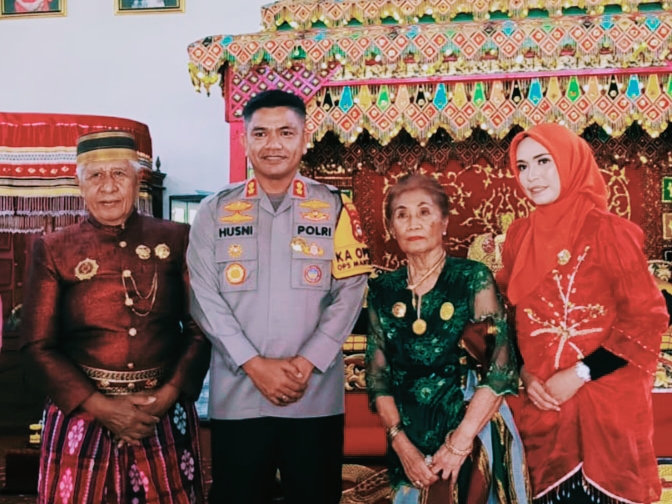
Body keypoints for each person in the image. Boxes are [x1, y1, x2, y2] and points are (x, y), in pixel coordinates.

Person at [187, 89, 371, 504]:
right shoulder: (214, 211)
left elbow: (350, 291)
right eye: (261, 133)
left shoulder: (336, 208)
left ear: (305, 138)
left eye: (286, 132)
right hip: (238, 397)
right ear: (244, 140)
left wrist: (306, 363)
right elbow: (203, 297)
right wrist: (254, 365)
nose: (273, 144)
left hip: (314, 397)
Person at [21, 130, 211, 504]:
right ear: (80, 185)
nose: (108, 187)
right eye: (95, 175)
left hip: (161, 414)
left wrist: (166, 396)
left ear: (139, 181)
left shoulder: (177, 239)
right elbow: (38, 345)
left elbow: (200, 329)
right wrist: (102, 407)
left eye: (119, 174)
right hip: (81, 414)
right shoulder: (55, 248)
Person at [498, 123, 668, 504]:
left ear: (571, 162)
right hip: (545, 413)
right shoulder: (520, 238)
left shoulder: (609, 232)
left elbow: (646, 319)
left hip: (606, 413)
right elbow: (512, 315)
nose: (532, 176)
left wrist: (580, 373)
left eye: (543, 161)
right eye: (522, 166)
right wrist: (524, 371)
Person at [366, 174, 529, 503]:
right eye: (401, 214)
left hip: (472, 431)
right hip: (409, 436)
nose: (413, 222)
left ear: (444, 223)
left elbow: (501, 369)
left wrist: (459, 443)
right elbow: (377, 378)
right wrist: (401, 444)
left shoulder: (470, 279)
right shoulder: (383, 290)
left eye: (424, 212)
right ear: (391, 228)